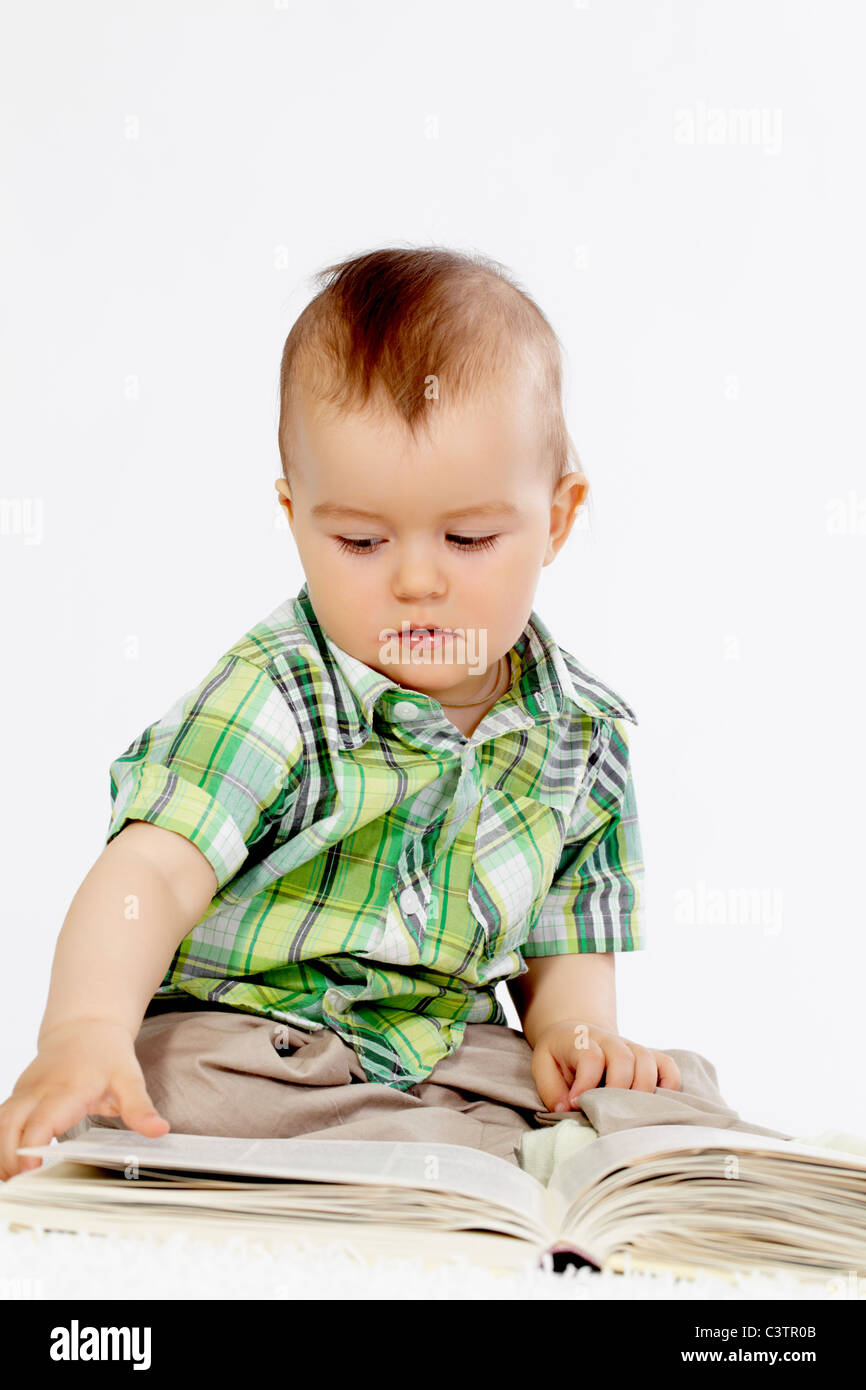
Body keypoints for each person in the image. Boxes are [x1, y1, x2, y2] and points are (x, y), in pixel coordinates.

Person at [0, 246, 681, 1181]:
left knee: (660, 1101)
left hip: (437, 1054)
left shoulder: (581, 733)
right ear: (295, 516)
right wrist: (83, 1031)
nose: (415, 579)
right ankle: (430, 1162)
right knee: (179, 1079)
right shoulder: (280, 692)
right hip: (255, 1043)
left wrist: (576, 1032)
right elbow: (149, 877)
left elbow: (568, 947)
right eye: (359, 539)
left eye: (469, 537)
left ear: (557, 521)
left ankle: (468, 1152)